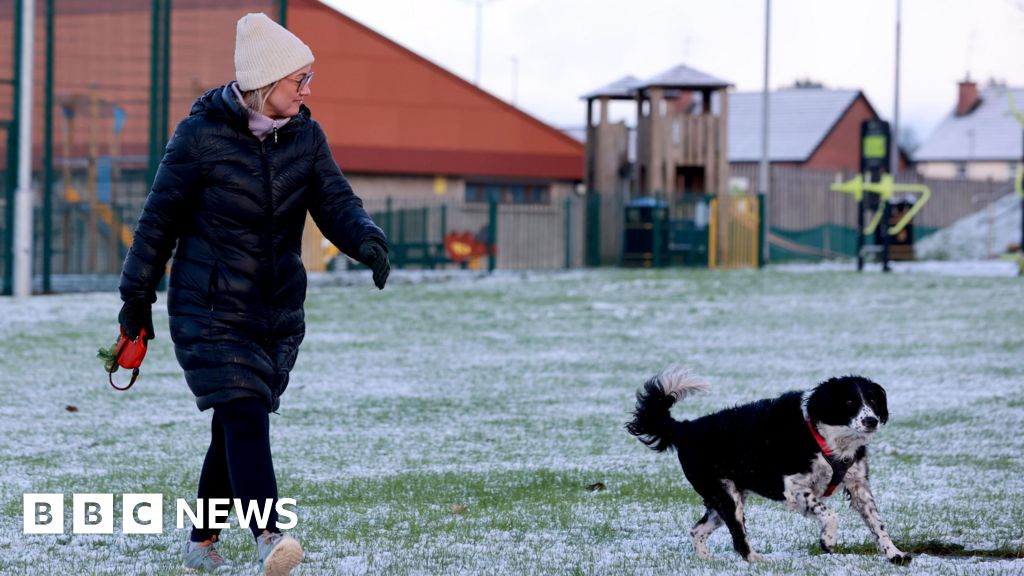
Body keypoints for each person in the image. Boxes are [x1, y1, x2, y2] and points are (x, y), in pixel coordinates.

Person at [117, 12, 390, 575]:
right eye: (300, 80)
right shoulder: (199, 137)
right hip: (208, 307)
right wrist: (136, 299)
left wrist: (366, 239)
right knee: (244, 414)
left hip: (273, 309)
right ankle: (270, 537)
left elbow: (335, 200)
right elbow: (157, 222)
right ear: (267, 82)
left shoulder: (306, 137)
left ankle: (200, 544)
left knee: (232, 423)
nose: (308, 90)